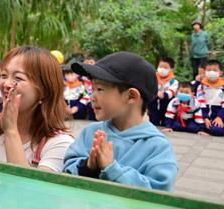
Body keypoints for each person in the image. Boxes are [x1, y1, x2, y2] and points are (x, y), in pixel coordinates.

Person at [63, 52, 178, 191]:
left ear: (131, 96)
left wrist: (112, 169)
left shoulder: (158, 147)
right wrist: (87, 166)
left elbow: (159, 194)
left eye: (100, 89)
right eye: (92, 89)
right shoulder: (91, 132)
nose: (92, 97)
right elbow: (67, 170)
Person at [195, 59, 224, 137]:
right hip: (203, 114)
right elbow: (201, 103)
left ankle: (218, 128)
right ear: (205, 72)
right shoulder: (201, 86)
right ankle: (204, 128)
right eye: (209, 70)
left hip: (217, 114)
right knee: (192, 127)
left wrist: (220, 117)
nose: (211, 72)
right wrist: (205, 118)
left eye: (215, 70)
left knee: (217, 130)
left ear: (220, 72)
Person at [148, 56, 178, 127]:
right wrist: (156, 92)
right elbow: (149, 86)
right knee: (152, 102)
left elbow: (172, 91)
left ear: (171, 69)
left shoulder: (173, 81)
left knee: (166, 105)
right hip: (155, 98)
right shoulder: (153, 77)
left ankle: (165, 121)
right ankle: (154, 120)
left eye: (165, 67)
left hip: (166, 100)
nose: (162, 69)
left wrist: (164, 94)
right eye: (160, 66)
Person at [81, 55, 97, 120]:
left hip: (92, 97)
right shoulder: (80, 77)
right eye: (86, 62)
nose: (89, 64)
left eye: (91, 62)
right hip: (82, 96)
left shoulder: (97, 76)